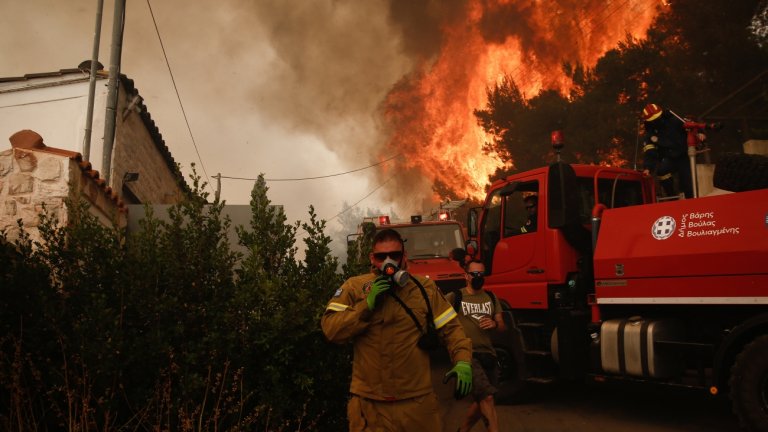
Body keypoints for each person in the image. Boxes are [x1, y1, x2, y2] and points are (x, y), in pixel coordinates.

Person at [321, 228, 473, 432]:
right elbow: (331, 330)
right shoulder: (354, 287)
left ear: (404, 257)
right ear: (372, 258)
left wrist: (463, 360)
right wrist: (366, 305)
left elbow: (452, 329)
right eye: (381, 256)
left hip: (417, 403)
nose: (388, 261)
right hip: (370, 405)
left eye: (395, 255)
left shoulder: (424, 288)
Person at [445, 261, 506, 432]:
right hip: (467, 353)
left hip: (489, 353)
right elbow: (441, 321)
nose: (478, 277)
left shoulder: (492, 297)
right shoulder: (455, 296)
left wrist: (494, 323)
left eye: (481, 274)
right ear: (466, 276)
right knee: (486, 398)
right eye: (474, 274)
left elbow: (502, 326)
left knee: (484, 399)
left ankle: (462, 430)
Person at [641, 103, 693, 198]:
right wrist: (647, 168)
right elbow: (649, 152)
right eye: (653, 120)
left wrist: (701, 133)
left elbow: (691, 126)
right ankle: (672, 196)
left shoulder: (674, 120)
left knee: (688, 184)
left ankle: (692, 204)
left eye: (658, 117)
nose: (657, 121)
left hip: (684, 156)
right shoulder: (650, 133)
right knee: (661, 171)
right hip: (669, 157)